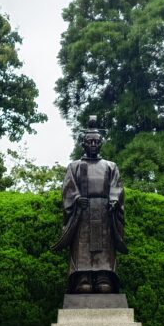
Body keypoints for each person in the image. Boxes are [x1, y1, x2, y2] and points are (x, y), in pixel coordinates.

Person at [52, 117, 126, 293]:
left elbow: (117, 186)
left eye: (96, 142)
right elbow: (68, 187)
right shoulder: (75, 166)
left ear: (101, 144)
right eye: (89, 141)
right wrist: (76, 198)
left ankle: (103, 277)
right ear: (83, 144)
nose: (93, 144)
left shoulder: (110, 166)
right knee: (82, 244)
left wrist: (114, 200)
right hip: (82, 211)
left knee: (104, 246)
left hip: (104, 210)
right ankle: (82, 277)